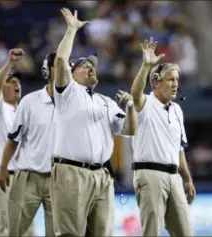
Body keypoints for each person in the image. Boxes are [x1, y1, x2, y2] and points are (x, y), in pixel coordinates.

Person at [50, 8, 137, 236]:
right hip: (71, 172)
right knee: (70, 234)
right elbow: (60, 60)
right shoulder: (67, 92)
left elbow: (130, 130)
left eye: (93, 66)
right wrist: (71, 30)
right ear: (72, 74)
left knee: (103, 233)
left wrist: (130, 107)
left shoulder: (106, 101)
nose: (91, 68)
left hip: (102, 176)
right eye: (84, 66)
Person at [130, 37, 196, 237]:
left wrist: (188, 180)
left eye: (177, 79)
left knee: (185, 233)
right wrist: (146, 65)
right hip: (149, 174)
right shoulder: (145, 103)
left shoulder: (177, 110)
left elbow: (179, 149)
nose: (175, 84)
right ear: (156, 83)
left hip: (174, 176)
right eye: (170, 79)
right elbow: (135, 94)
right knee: (151, 233)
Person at [0, 52, 56, 237]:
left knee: (57, 233)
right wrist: (3, 168)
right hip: (29, 177)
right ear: (48, 71)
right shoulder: (30, 101)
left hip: (59, 179)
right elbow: (13, 139)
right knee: (14, 230)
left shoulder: (75, 103)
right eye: (59, 65)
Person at [0, 48, 24, 237]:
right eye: (11, 82)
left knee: (25, 229)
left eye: (18, 82)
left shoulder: (22, 113)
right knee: (5, 228)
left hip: (23, 176)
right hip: (1, 175)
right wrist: (9, 64)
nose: (17, 85)